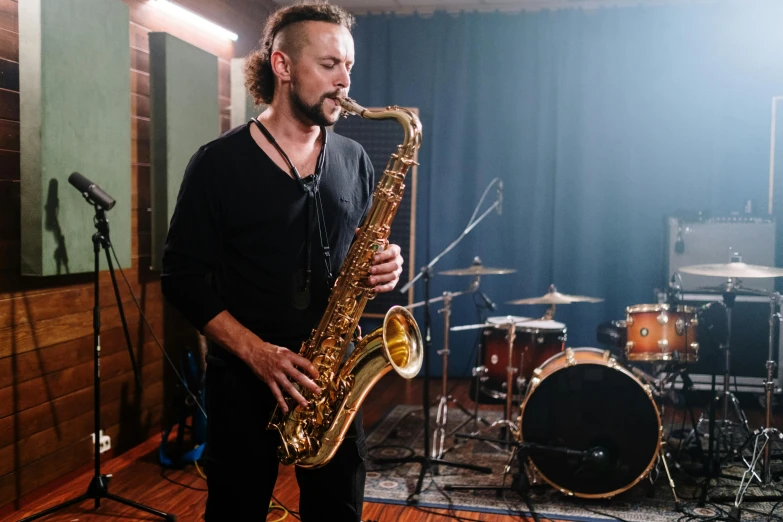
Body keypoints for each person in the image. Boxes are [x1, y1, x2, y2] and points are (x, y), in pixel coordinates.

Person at [160, 3, 405, 520]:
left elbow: (355, 251)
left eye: (349, 67)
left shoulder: (354, 159)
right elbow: (181, 278)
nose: (345, 81)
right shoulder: (218, 163)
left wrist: (386, 263)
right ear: (283, 66)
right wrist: (257, 352)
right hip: (246, 382)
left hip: (332, 379)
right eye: (330, 64)